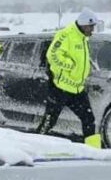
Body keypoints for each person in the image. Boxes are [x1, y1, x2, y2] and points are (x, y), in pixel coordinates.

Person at [36, 8, 102, 148]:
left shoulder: (83, 38)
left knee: (89, 119)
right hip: (60, 87)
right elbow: (52, 55)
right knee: (49, 121)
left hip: (77, 88)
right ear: (84, 24)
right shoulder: (66, 35)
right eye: (91, 26)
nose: (92, 30)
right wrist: (69, 65)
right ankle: (34, 146)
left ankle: (94, 152)